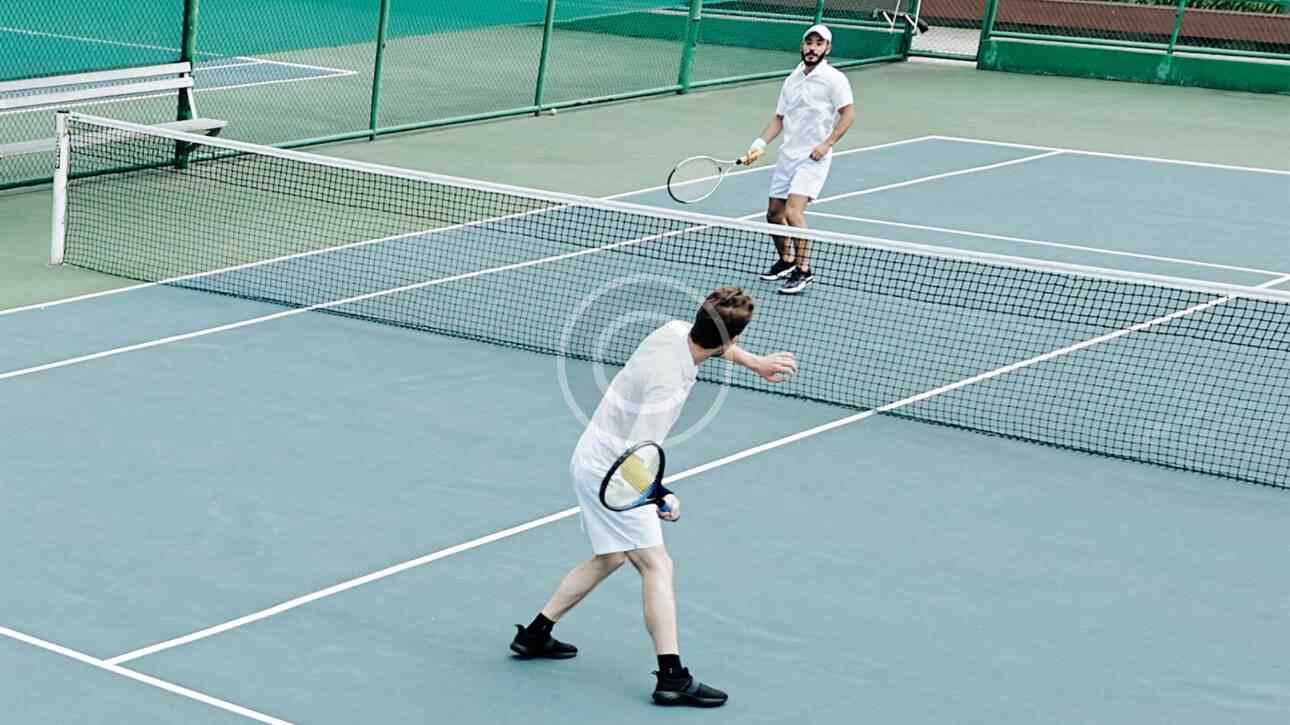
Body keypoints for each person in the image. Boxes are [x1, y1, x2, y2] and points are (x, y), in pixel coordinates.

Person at [510, 286, 797, 707]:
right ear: (732, 337)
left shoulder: (673, 330)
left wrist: (755, 363)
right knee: (656, 565)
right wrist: (661, 495)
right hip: (614, 471)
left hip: (590, 456)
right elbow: (635, 458)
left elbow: (717, 344)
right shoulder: (668, 389)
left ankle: (535, 634)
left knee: (611, 557)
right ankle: (671, 677)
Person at [740, 24, 855, 295]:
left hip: (813, 157)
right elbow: (779, 118)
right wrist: (758, 145)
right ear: (803, 46)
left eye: (819, 44)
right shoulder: (792, 79)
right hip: (787, 156)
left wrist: (827, 144)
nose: (812, 48)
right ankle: (786, 260)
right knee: (773, 214)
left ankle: (804, 269)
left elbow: (848, 114)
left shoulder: (834, 79)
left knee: (793, 212)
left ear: (827, 48)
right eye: (809, 43)